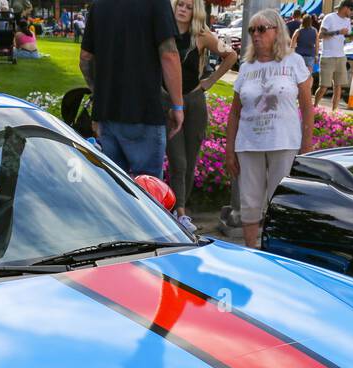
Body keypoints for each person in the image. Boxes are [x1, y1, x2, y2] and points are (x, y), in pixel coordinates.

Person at [225, 7, 314, 249]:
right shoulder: (246, 67)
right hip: (249, 143)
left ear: (277, 31)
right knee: (250, 202)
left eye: (262, 29)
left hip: (284, 142)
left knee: (281, 200)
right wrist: (229, 150)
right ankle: (251, 249)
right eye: (252, 29)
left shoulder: (294, 62)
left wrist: (307, 144)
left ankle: (278, 251)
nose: (256, 34)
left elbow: (307, 106)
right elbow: (235, 112)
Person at [80, 0, 184, 178]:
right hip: (144, 114)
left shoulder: (98, 5)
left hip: (106, 114)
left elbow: (85, 58)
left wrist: (98, 92)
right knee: (148, 191)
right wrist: (178, 106)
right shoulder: (156, 4)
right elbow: (169, 54)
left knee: (113, 189)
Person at [166, 0, 238, 219]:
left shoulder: (202, 36)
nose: (183, 9)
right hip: (169, 102)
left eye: (188, 7)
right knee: (178, 161)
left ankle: (182, 208)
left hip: (194, 101)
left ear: (194, 11)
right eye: (180, 5)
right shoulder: (164, 31)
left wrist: (210, 81)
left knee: (190, 161)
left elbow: (231, 56)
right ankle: (178, 210)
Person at [316, 1, 353, 112]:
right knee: (324, 87)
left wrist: (348, 38)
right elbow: (320, 35)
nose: (352, 13)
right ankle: (314, 108)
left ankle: (334, 112)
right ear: (345, 8)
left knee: (338, 87)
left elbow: (346, 37)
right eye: (351, 10)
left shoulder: (347, 21)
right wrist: (337, 32)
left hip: (341, 56)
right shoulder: (329, 17)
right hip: (328, 56)